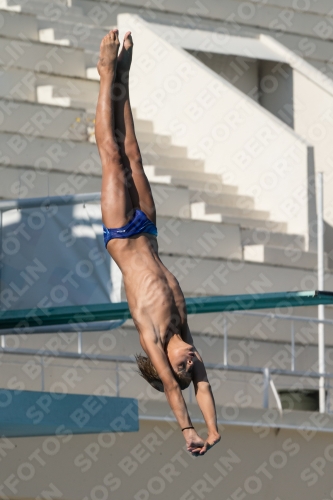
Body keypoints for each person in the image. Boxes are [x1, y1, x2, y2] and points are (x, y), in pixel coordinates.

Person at [95, 28, 220, 456]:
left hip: (122, 235)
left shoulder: (151, 334)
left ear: (170, 365)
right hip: (147, 228)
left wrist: (189, 430)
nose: (193, 361)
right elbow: (202, 384)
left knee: (111, 153)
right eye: (192, 367)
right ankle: (124, 79)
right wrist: (214, 428)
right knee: (133, 151)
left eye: (185, 366)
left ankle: (105, 72)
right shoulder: (183, 327)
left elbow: (174, 388)